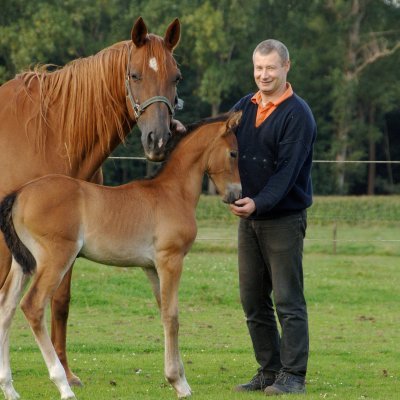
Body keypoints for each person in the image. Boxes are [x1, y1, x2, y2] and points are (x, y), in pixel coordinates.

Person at [230, 39, 316, 396]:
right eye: (258, 68)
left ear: (286, 67)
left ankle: (293, 375)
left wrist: (258, 203)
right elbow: (219, 131)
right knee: (252, 299)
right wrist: (185, 132)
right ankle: (269, 370)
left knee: (287, 299)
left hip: (282, 219)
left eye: (270, 68)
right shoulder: (246, 105)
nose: (263, 75)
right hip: (249, 220)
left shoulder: (298, 115)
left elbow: (286, 174)